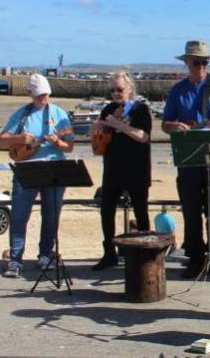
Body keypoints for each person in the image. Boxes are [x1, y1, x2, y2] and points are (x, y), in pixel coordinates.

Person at [161, 40, 210, 279]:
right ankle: (195, 258)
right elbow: (164, 125)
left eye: (205, 62)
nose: (202, 66)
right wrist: (175, 126)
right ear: (187, 63)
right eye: (197, 62)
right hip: (189, 159)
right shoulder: (178, 90)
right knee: (191, 211)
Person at [0, 74, 75, 278]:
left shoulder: (59, 114)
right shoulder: (22, 115)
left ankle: (46, 254)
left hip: (54, 169)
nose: (43, 99)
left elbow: (69, 147)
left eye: (46, 95)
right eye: (39, 95)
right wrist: (19, 137)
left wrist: (57, 143)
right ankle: (15, 259)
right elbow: (1, 141)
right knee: (20, 215)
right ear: (30, 94)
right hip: (26, 169)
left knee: (51, 215)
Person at [90, 72, 152, 271]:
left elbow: (143, 136)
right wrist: (96, 127)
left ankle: (145, 255)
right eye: (113, 90)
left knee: (141, 212)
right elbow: (96, 137)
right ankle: (109, 253)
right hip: (113, 168)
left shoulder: (141, 109)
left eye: (120, 89)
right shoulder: (109, 108)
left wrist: (119, 126)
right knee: (106, 211)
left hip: (137, 169)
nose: (116, 94)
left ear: (130, 89)